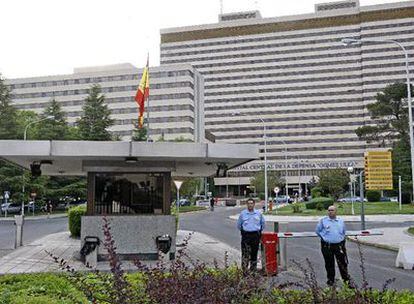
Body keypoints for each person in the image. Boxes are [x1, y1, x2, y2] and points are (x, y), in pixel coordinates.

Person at [316, 205, 351, 286]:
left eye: (332, 210)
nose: (330, 212)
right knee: (329, 264)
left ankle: (347, 282)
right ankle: (331, 280)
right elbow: (318, 231)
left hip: (339, 245)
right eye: (329, 210)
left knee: (343, 263)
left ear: (336, 211)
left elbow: (343, 232)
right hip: (327, 246)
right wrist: (324, 238)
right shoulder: (323, 221)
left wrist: (341, 240)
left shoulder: (340, 221)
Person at [237, 198, 265, 272]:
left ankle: (253, 271)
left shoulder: (258, 213)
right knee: (245, 253)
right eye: (248, 203)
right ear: (247, 204)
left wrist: (258, 232)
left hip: (255, 235)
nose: (250, 205)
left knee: (254, 253)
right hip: (246, 235)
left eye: (251, 203)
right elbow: (239, 225)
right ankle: (245, 271)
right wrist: (244, 231)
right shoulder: (243, 213)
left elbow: (263, 224)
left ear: (254, 204)